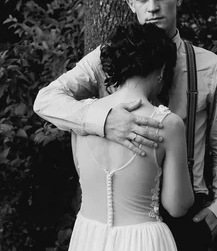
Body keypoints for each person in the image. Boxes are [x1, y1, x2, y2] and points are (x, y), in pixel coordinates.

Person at [33, 0, 217, 251]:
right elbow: (46, 100)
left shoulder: (212, 68)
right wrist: (105, 121)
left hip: (188, 215)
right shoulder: (106, 59)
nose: (153, 8)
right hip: (118, 219)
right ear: (131, 4)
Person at [68, 22, 193, 251]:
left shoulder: (82, 117)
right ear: (163, 70)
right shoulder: (167, 124)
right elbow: (177, 205)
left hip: (88, 237)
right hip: (144, 241)